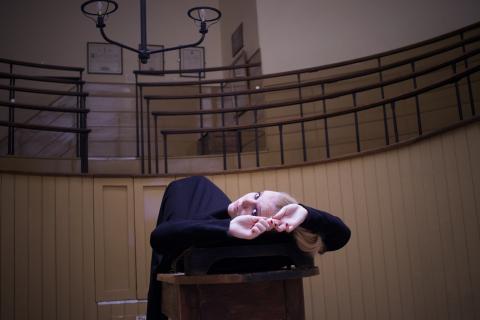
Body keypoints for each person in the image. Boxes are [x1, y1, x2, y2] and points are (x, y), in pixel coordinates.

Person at [147, 176, 350, 320]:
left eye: (254, 209)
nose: (244, 200)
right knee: (199, 182)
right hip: (212, 204)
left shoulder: (258, 237)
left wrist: (227, 226)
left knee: (189, 184)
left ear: (270, 227)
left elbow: (159, 237)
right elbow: (340, 235)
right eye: (257, 194)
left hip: (189, 199)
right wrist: (306, 213)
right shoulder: (244, 222)